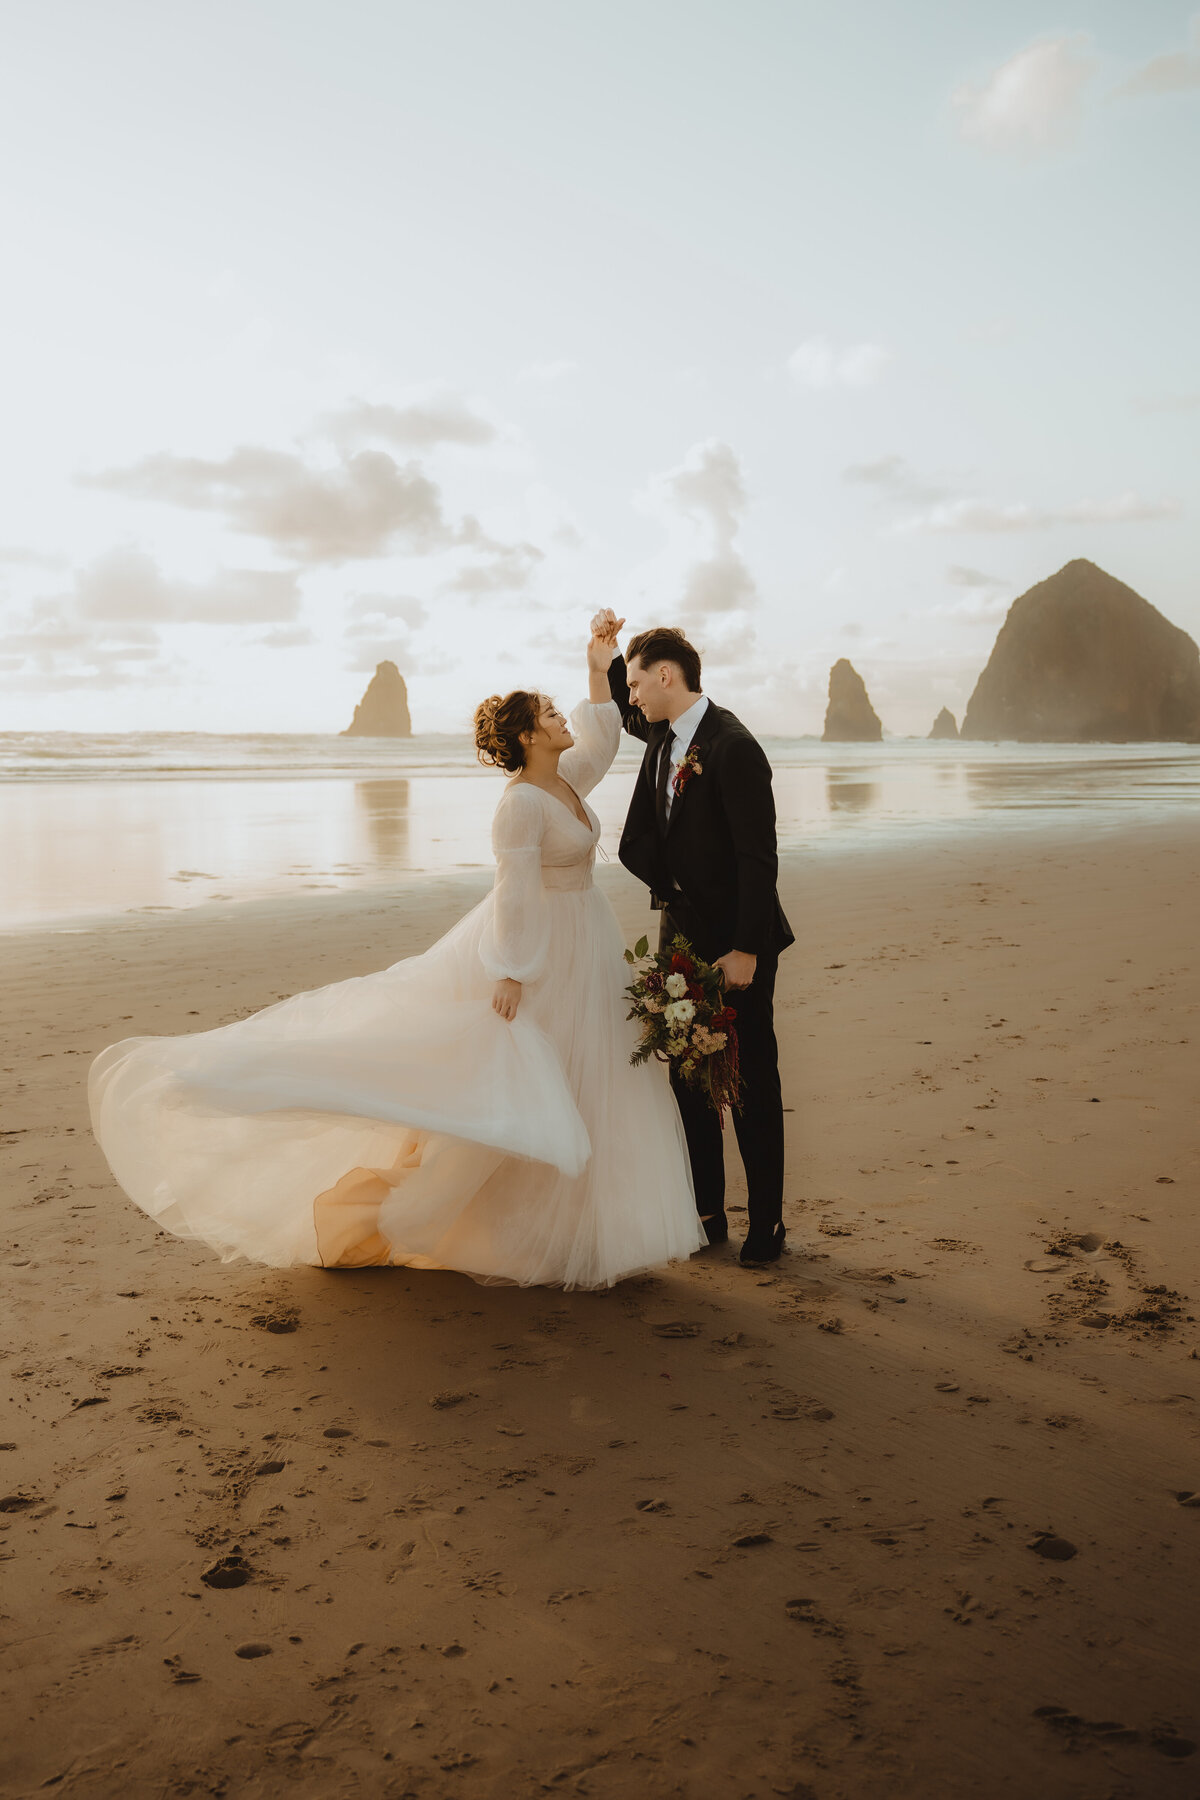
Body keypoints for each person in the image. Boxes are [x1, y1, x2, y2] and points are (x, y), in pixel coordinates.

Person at [88, 622, 704, 1290]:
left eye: (560, 710)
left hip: (588, 937)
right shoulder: (520, 806)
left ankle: (588, 1226)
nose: (563, 719)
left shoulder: (566, 782)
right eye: (550, 713)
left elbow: (605, 738)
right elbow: (513, 898)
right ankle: (510, 1228)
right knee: (535, 1087)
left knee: (593, 1078)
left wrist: (597, 667)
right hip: (544, 952)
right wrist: (513, 972)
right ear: (528, 736)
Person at [595, 613, 794, 1266]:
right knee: (688, 1077)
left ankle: (766, 1224)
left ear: (665, 676)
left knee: (747, 1081)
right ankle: (708, 1214)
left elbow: (757, 858)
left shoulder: (733, 747)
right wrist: (600, 658)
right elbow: (624, 718)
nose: (630, 698)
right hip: (678, 937)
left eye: (634, 683)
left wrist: (747, 948)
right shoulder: (662, 731)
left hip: (736, 945)